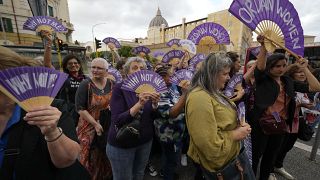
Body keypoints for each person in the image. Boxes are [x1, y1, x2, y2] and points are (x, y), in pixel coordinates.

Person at [0, 46, 81, 179]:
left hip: (65, 113)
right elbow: (48, 67)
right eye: (71, 63)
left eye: (76, 63)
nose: (74, 65)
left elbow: (68, 159)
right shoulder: (64, 80)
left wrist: (52, 132)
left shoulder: (52, 108)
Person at [250, 36, 320, 180]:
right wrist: (263, 46)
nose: (282, 69)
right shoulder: (263, 79)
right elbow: (260, 66)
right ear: (270, 67)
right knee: (255, 158)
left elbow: (315, 87)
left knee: (269, 158)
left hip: (280, 126)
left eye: (284, 65)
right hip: (261, 125)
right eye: (277, 66)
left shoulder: (288, 81)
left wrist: (304, 68)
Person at [186, 52, 254, 180]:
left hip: (232, 157)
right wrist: (236, 134)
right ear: (211, 74)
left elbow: (221, 117)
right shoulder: (199, 98)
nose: (229, 78)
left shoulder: (212, 91)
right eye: (225, 74)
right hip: (222, 167)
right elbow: (208, 145)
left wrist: (239, 124)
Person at [106, 57, 160, 180]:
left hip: (145, 142)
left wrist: (155, 104)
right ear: (127, 72)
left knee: (139, 174)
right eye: (134, 68)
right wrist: (139, 104)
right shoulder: (120, 88)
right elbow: (117, 120)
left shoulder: (148, 88)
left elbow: (152, 117)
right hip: (122, 143)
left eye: (142, 68)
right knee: (123, 177)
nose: (139, 70)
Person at [75, 58, 113, 179]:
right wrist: (95, 124)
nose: (95, 70)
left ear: (106, 71)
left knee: (104, 154)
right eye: (93, 67)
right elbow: (80, 108)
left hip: (106, 124)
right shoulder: (86, 84)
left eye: (99, 68)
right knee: (89, 154)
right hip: (88, 125)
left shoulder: (112, 83)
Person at [154, 65, 187, 180]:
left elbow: (178, 102)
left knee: (169, 157)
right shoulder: (158, 91)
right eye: (171, 76)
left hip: (177, 132)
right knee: (171, 159)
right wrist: (185, 94)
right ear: (162, 77)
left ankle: (167, 172)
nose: (173, 78)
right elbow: (171, 113)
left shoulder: (172, 85)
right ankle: (168, 175)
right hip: (168, 134)